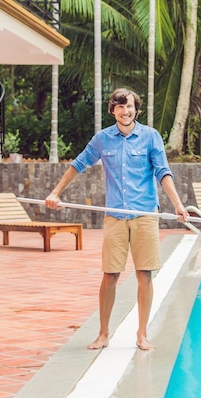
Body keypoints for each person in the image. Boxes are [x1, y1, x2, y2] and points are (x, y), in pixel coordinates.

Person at [45, 87, 189, 351]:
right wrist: (55, 192)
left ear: (137, 109)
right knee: (110, 275)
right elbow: (78, 164)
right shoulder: (102, 139)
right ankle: (103, 334)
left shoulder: (150, 137)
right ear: (113, 110)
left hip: (145, 214)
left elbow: (163, 172)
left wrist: (178, 204)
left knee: (144, 274)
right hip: (115, 216)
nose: (126, 111)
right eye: (120, 107)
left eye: (130, 106)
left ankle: (142, 334)